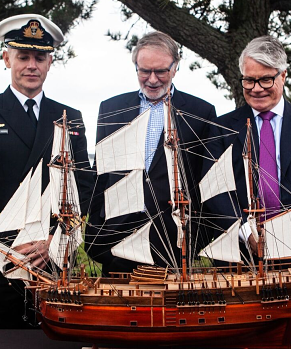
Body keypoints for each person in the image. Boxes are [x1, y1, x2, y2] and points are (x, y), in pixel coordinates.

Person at [0, 14, 94, 328]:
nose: (32, 65)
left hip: (52, 257)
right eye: (23, 56)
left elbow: (82, 185)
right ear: (6, 58)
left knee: (56, 339)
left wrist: (53, 241)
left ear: (49, 63)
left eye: (40, 57)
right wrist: (11, 245)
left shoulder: (70, 117)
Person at [203, 36, 291, 328]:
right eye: (249, 80)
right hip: (237, 252)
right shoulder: (222, 127)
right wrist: (243, 229)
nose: (256, 89)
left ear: (283, 76)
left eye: (266, 80)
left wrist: (283, 232)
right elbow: (214, 189)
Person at [85, 31, 217, 274]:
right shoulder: (110, 108)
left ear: (175, 67)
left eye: (161, 71)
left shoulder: (202, 112)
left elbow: (207, 181)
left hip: (175, 243)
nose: (152, 79)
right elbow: (100, 174)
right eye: (145, 71)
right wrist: (95, 227)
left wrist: (198, 237)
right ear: (135, 67)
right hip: (117, 240)